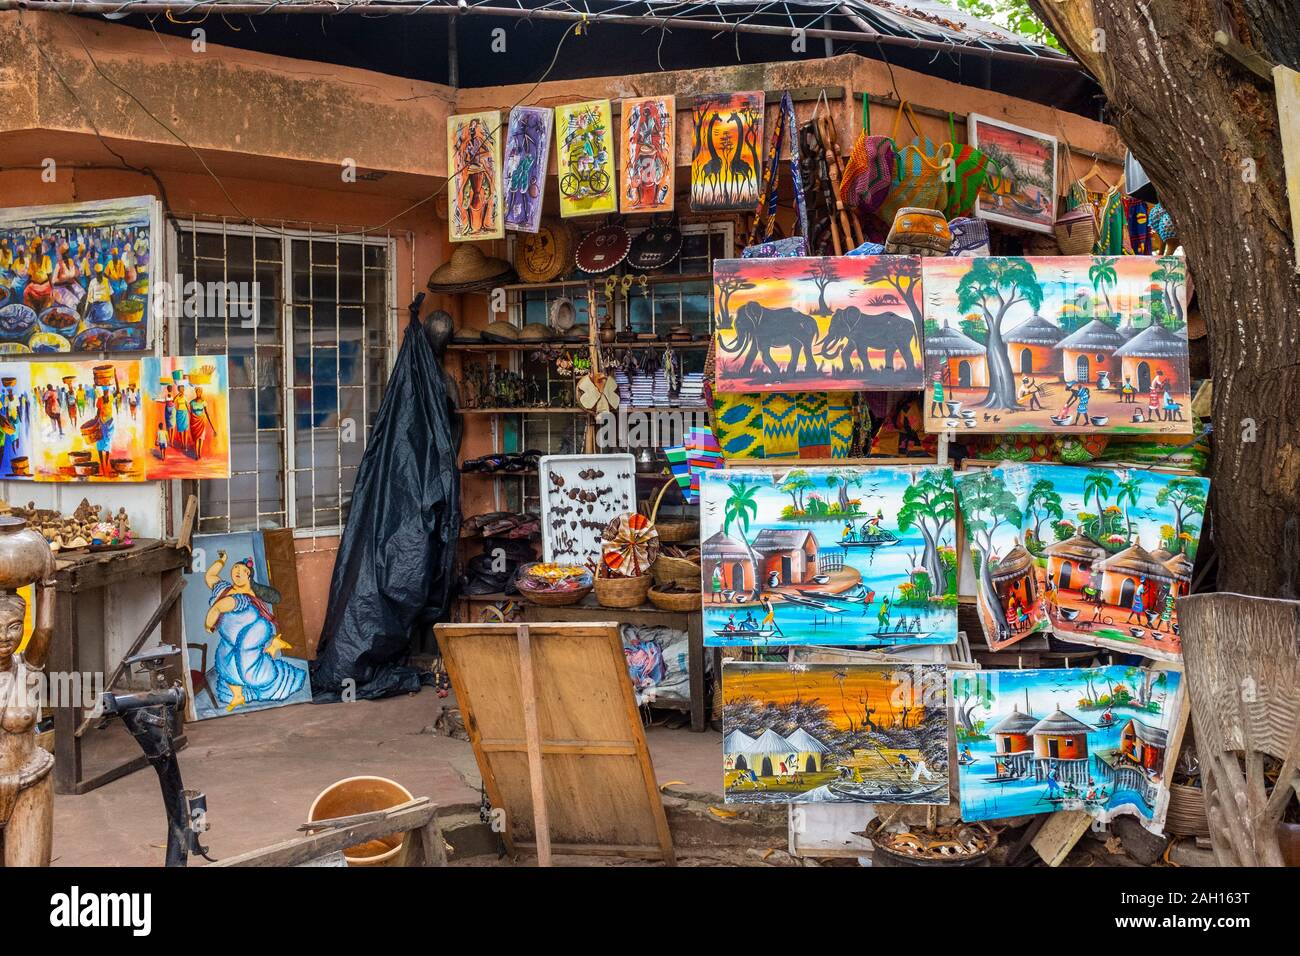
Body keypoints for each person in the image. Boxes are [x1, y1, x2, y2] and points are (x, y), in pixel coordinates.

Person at [203, 549, 304, 713]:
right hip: (231, 638)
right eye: (236, 568)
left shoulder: (241, 597)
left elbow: (220, 606)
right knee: (225, 663)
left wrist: (209, 623)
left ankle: (273, 647)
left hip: (252, 631)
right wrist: (223, 560)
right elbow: (210, 577)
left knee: (251, 668)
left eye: (244, 571)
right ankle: (237, 695)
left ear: (249, 577)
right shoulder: (226, 589)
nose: (238, 572)